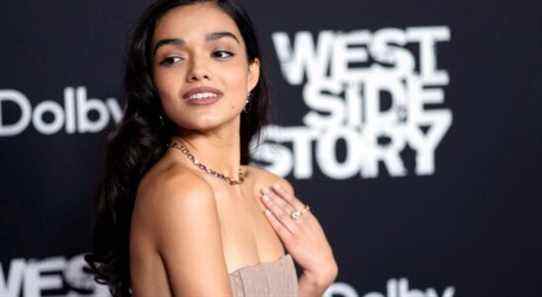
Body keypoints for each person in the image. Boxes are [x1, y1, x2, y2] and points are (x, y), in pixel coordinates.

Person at [84, 0, 338, 296]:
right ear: (154, 84)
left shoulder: (268, 190)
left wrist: (318, 276)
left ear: (251, 73)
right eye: (173, 59)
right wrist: (316, 281)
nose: (198, 71)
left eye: (220, 53)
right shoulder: (181, 192)